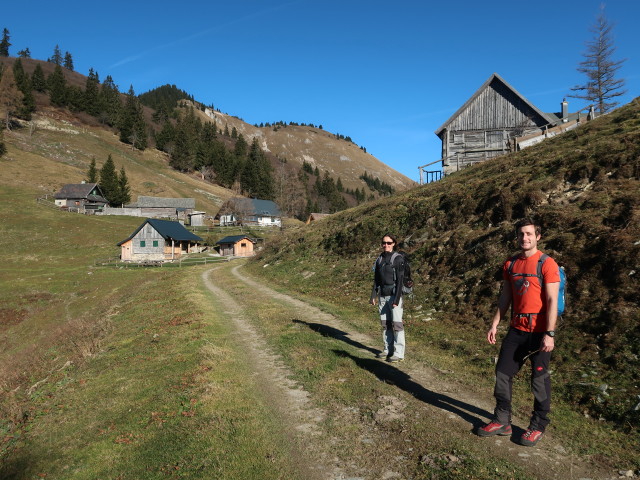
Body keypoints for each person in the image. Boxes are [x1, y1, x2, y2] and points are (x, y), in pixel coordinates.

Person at [477, 217, 560, 447]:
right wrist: (495, 323)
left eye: (529, 234)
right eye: (521, 234)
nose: (525, 238)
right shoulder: (511, 264)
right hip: (516, 330)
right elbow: (506, 297)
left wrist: (550, 333)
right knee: (503, 373)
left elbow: (552, 300)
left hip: (540, 332)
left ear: (538, 236)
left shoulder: (547, 264)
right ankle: (502, 420)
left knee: (539, 380)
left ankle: (538, 425)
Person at [370, 234, 406, 363]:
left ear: (394, 243)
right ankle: (387, 350)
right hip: (383, 296)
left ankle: (399, 353)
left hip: (394, 296)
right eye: (384, 243)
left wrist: (396, 300)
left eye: (389, 243)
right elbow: (376, 280)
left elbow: (400, 281)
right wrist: (373, 295)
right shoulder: (379, 259)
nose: (386, 245)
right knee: (386, 325)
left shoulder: (397, 259)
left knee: (397, 325)